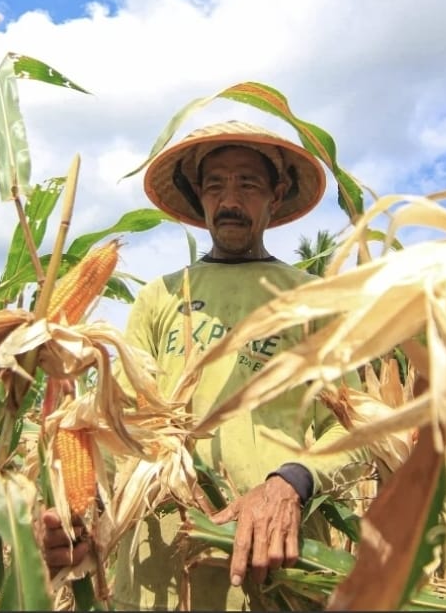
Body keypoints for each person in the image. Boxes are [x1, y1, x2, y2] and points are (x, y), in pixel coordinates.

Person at [41, 120, 367, 610]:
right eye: (215, 185)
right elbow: (122, 422)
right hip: (155, 579)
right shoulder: (159, 297)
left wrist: (289, 483)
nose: (229, 200)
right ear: (199, 198)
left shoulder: (313, 300)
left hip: (276, 579)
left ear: (276, 196)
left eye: (248, 184)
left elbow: (357, 430)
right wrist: (81, 514)